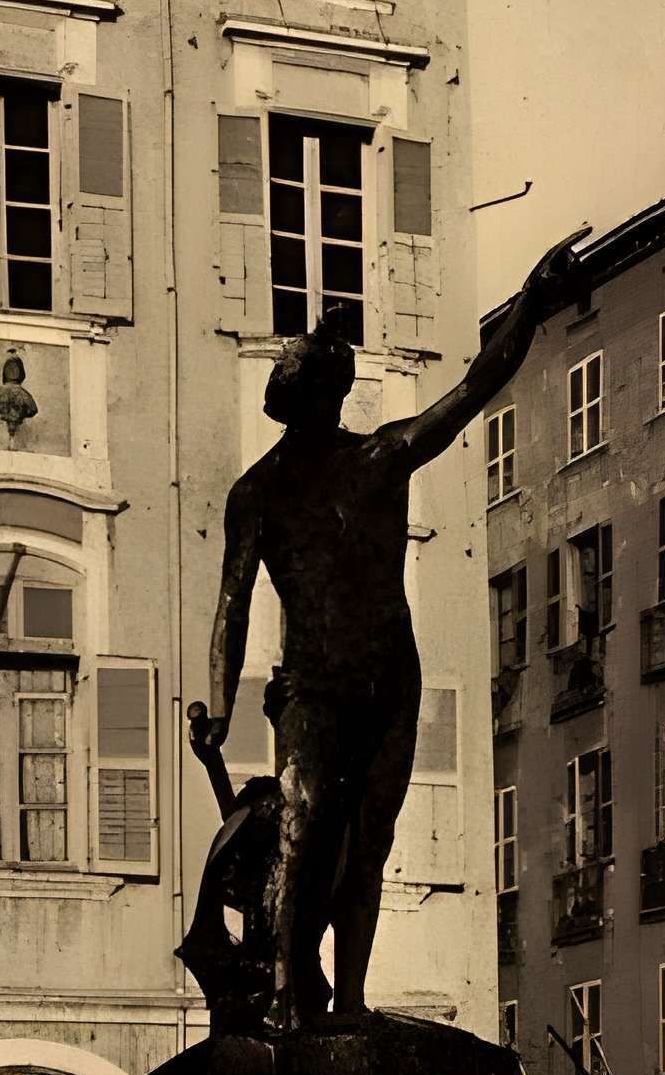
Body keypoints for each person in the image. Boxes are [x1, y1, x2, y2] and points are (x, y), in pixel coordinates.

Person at [205, 228, 589, 1028]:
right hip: (311, 684)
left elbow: (476, 387)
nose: (312, 393)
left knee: (369, 844)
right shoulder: (259, 493)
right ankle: (282, 992)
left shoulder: (382, 457)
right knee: (304, 832)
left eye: (316, 380)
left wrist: (531, 300)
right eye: (304, 382)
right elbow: (232, 606)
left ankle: (348, 1000)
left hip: (388, 679)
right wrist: (219, 707)